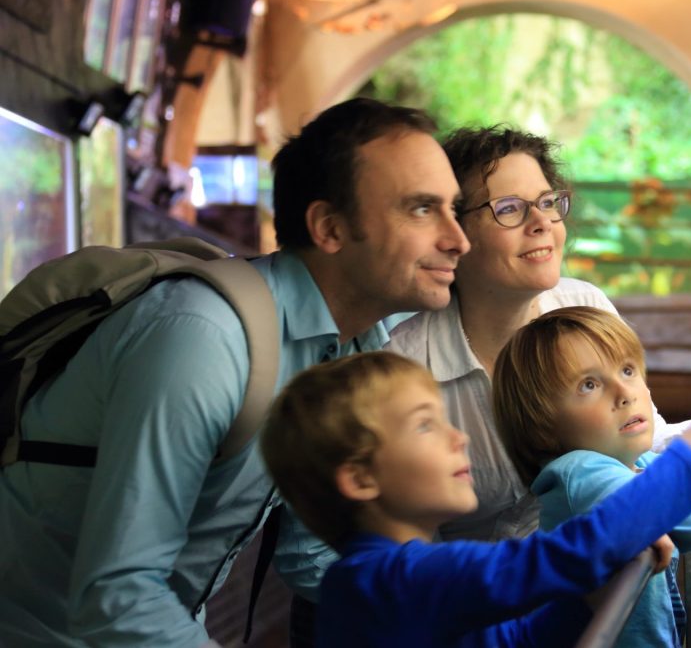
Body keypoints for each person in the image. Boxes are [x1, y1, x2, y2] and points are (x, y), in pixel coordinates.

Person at [0, 98, 469, 647]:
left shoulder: (350, 350)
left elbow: (308, 552)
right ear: (330, 227)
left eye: (454, 209)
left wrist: (475, 610)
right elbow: (117, 595)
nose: (457, 239)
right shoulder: (203, 337)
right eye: (421, 209)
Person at [385, 125, 691, 544]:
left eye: (547, 202)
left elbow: (640, 444)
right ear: (456, 230)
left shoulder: (584, 305)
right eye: (509, 207)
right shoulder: (406, 366)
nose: (541, 222)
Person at [261, 344, 691, 648]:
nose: (457, 436)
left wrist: (594, 595)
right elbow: (572, 552)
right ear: (360, 479)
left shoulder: (397, 578)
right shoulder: (387, 583)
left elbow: (519, 643)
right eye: (425, 426)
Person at [493, 307, 691, 647]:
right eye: (589, 385)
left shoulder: (638, 462)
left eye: (627, 370)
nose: (624, 392)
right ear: (543, 427)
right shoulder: (579, 474)